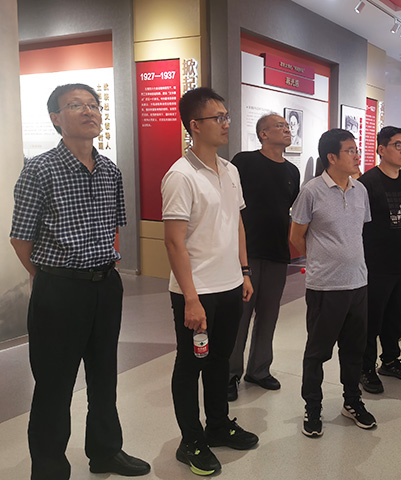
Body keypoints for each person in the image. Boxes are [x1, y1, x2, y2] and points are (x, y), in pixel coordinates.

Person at [10, 83, 151, 479]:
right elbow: (20, 238)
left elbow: (112, 229)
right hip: (60, 289)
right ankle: (50, 469)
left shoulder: (110, 171)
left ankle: (106, 451)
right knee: (54, 385)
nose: (89, 111)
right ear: (56, 118)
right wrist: (50, 277)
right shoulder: (40, 170)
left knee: (105, 376)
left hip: (105, 286)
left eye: (93, 104)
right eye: (76, 105)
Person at [162, 87, 258, 476]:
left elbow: (237, 223)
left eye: (226, 116)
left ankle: (217, 425)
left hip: (230, 286)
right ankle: (191, 440)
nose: (226, 123)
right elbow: (174, 241)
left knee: (220, 360)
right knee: (190, 365)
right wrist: (190, 298)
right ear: (195, 125)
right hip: (197, 291)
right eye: (218, 117)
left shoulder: (230, 170)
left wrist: (244, 271)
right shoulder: (180, 175)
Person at [289, 128, 375, 437]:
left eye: (356, 150)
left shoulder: (360, 190)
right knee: (318, 352)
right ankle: (313, 407)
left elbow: (358, 231)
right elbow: (296, 236)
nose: (356, 155)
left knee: (354, 350)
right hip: (325, 287)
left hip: (358, 284)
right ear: (332, 157)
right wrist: (322, 260)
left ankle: (352, 401)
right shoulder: (311, 191)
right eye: (350, 151)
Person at [228, 113, 300, 401]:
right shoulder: (244, 162)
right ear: (263, 134)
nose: (286, 130)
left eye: (287, 126)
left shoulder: (292, 171)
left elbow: (289, 207)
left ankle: (259, 370)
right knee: (240, 316)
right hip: (246, 251)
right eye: (279, 126)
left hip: (277, 252)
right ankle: (229, 373)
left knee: (269, 315)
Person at [358, 126, 401, 394]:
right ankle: (365, 368)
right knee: (372, 320)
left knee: (396, 317)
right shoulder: (368, 183)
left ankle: (391, 360)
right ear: (381, 150)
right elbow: (358, 225)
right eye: (397, 145)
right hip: (375, 265)